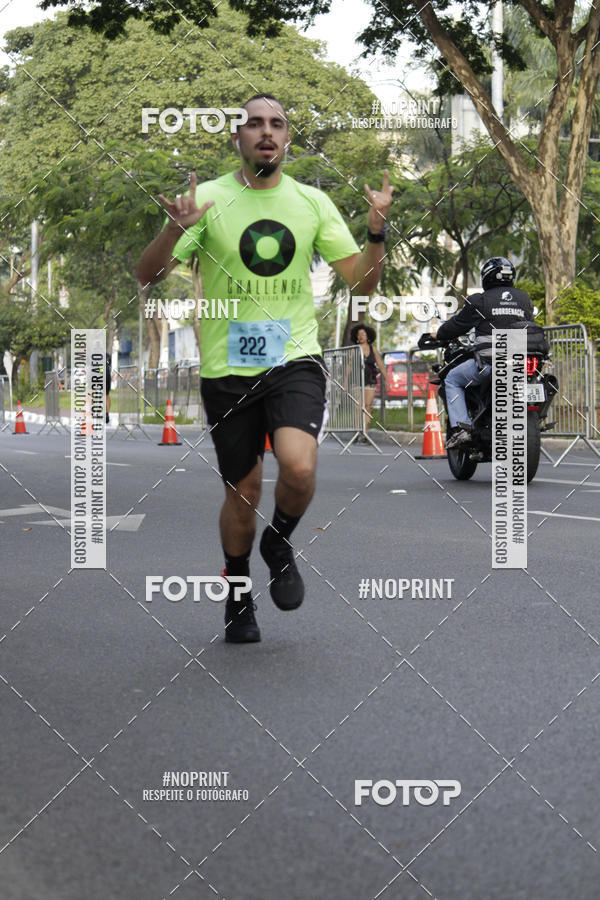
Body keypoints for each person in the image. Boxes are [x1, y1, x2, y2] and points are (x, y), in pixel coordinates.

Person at [136, 93, 393, 643]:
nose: (266, 131)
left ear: (287, 139)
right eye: (254, 124)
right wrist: (173, 230)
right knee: (244, 490)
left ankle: (278, 541)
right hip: (227, 368)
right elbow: (147, 275)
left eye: (276, 123)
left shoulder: (312, 203)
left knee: (298, 467)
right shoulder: (207, 199)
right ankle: (237, 591)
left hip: (294, 358)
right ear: (238, 137)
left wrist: (376, 232)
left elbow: (362, 283)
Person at [430, 257, 535, 448]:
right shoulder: (524, 299)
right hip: (521, 362)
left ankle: (461, 428)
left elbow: (457, 326)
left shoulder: (479, 300)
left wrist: (438, 333)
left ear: (486, 277)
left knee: (452, 379)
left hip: (490, 364)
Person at [350, 323, 389, 437]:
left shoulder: (373, 349)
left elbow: (380, 364)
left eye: (363, 334)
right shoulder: (354, 350)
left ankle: (365, 432)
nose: (361, 336)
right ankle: (357, 432)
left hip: (370, 380)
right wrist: (346, 383)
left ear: (368, 336)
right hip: (357, 381)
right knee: (358, 407)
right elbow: (349, 366)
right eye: (359, 334)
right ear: (356, 337)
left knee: (367, 406)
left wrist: (387, 379)